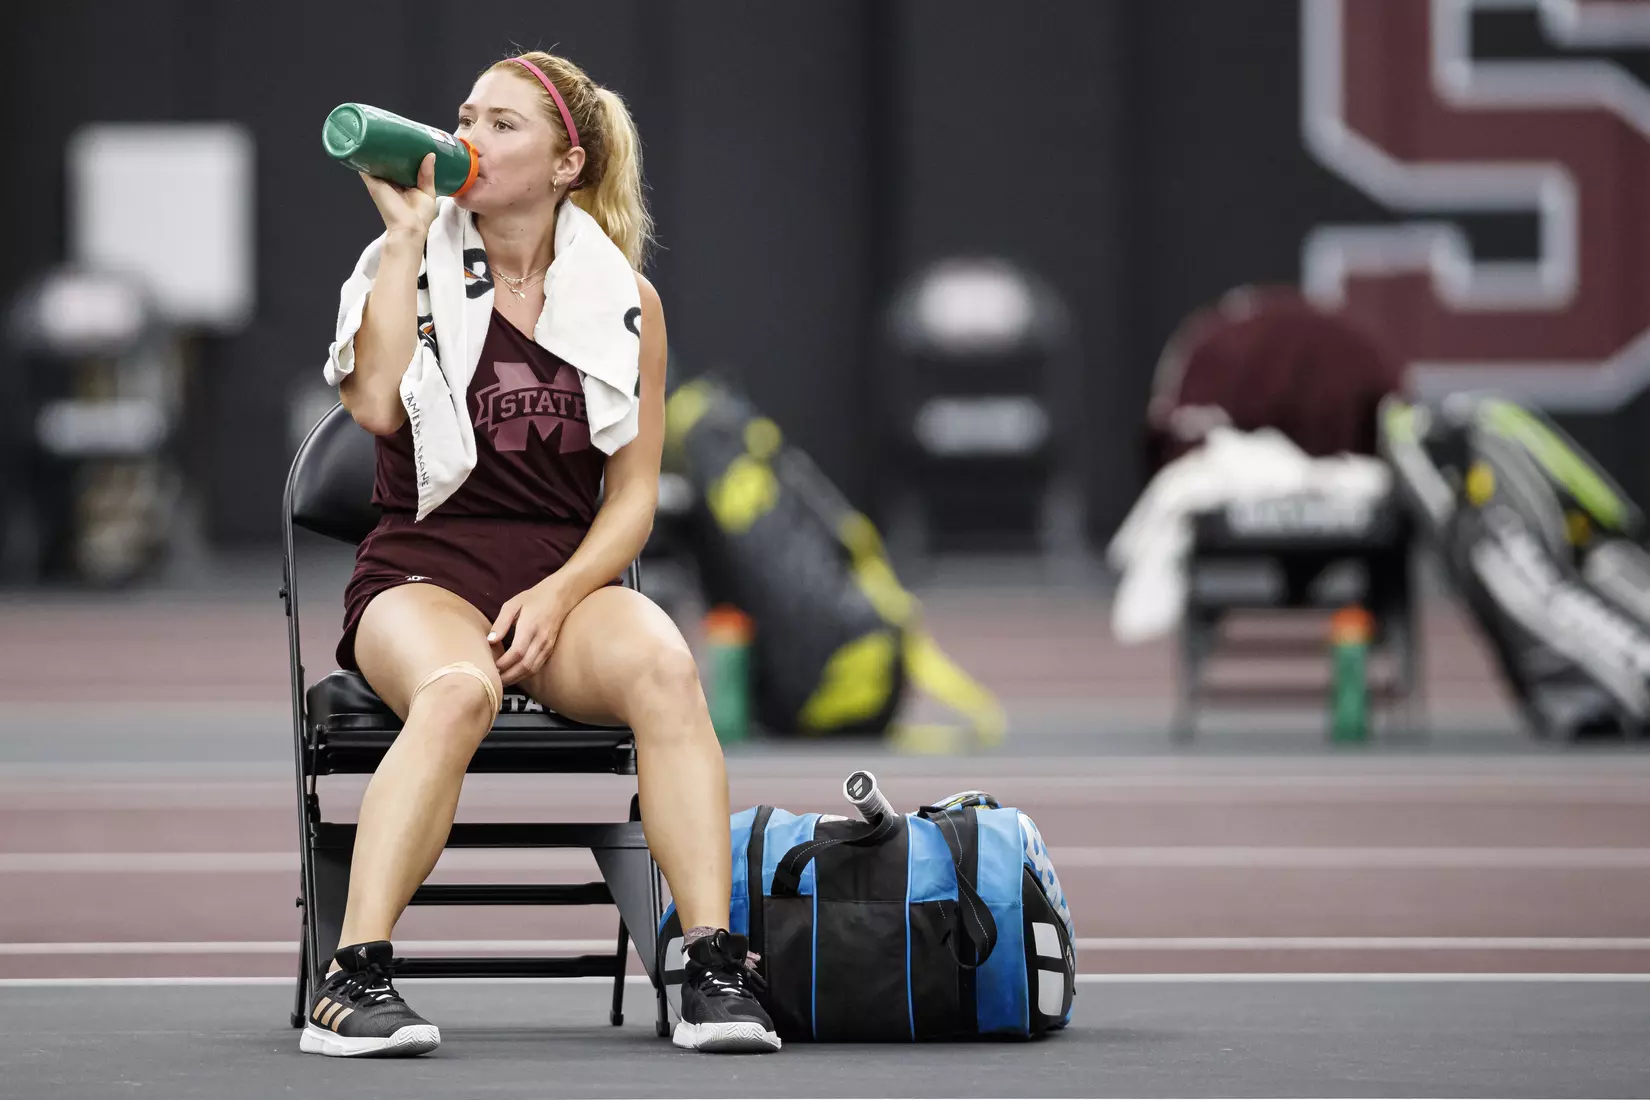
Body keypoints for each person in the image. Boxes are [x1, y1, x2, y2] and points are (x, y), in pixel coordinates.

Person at [303, 51, 778, 1057]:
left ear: (567, 163)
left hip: (559, 578)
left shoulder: (627, 302)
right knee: (458, 689)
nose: (469, 133)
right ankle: (352, 980)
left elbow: (635, 496)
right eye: (464, 113)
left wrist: (564, 592)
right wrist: (400, 241)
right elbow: (378, 406)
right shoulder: (403, 259)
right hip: (419, 569)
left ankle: (711, 966)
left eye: (504, 123)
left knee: (666, 664)